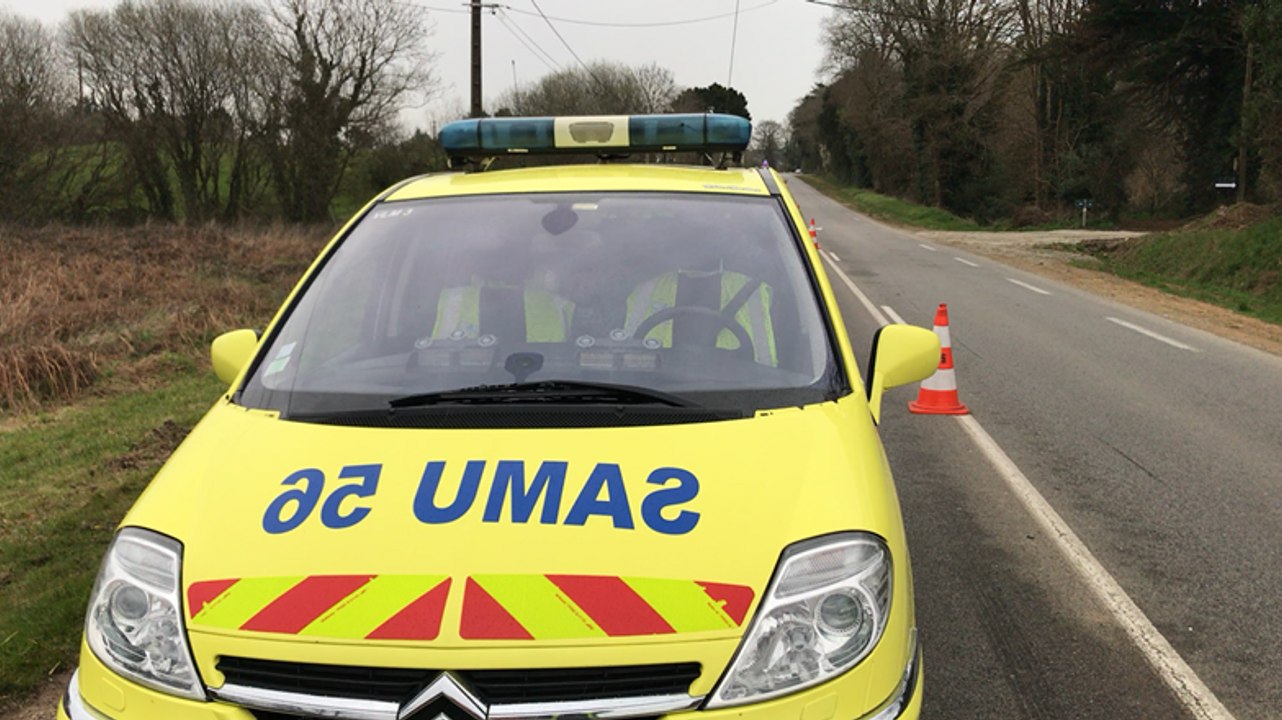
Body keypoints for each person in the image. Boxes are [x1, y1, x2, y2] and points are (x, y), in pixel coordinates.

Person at [622, 263, 776, 366]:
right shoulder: (648, 289)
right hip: (650, 394)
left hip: (741, 394)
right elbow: (626, 359)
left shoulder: (752, 290)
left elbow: (765, 365)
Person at [430, 238, 574, 343]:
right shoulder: (451, 301)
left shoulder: (558, 303)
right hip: (454, 384)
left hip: (551, 383)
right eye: (499, 255)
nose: (506, 262)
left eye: (512, 255)